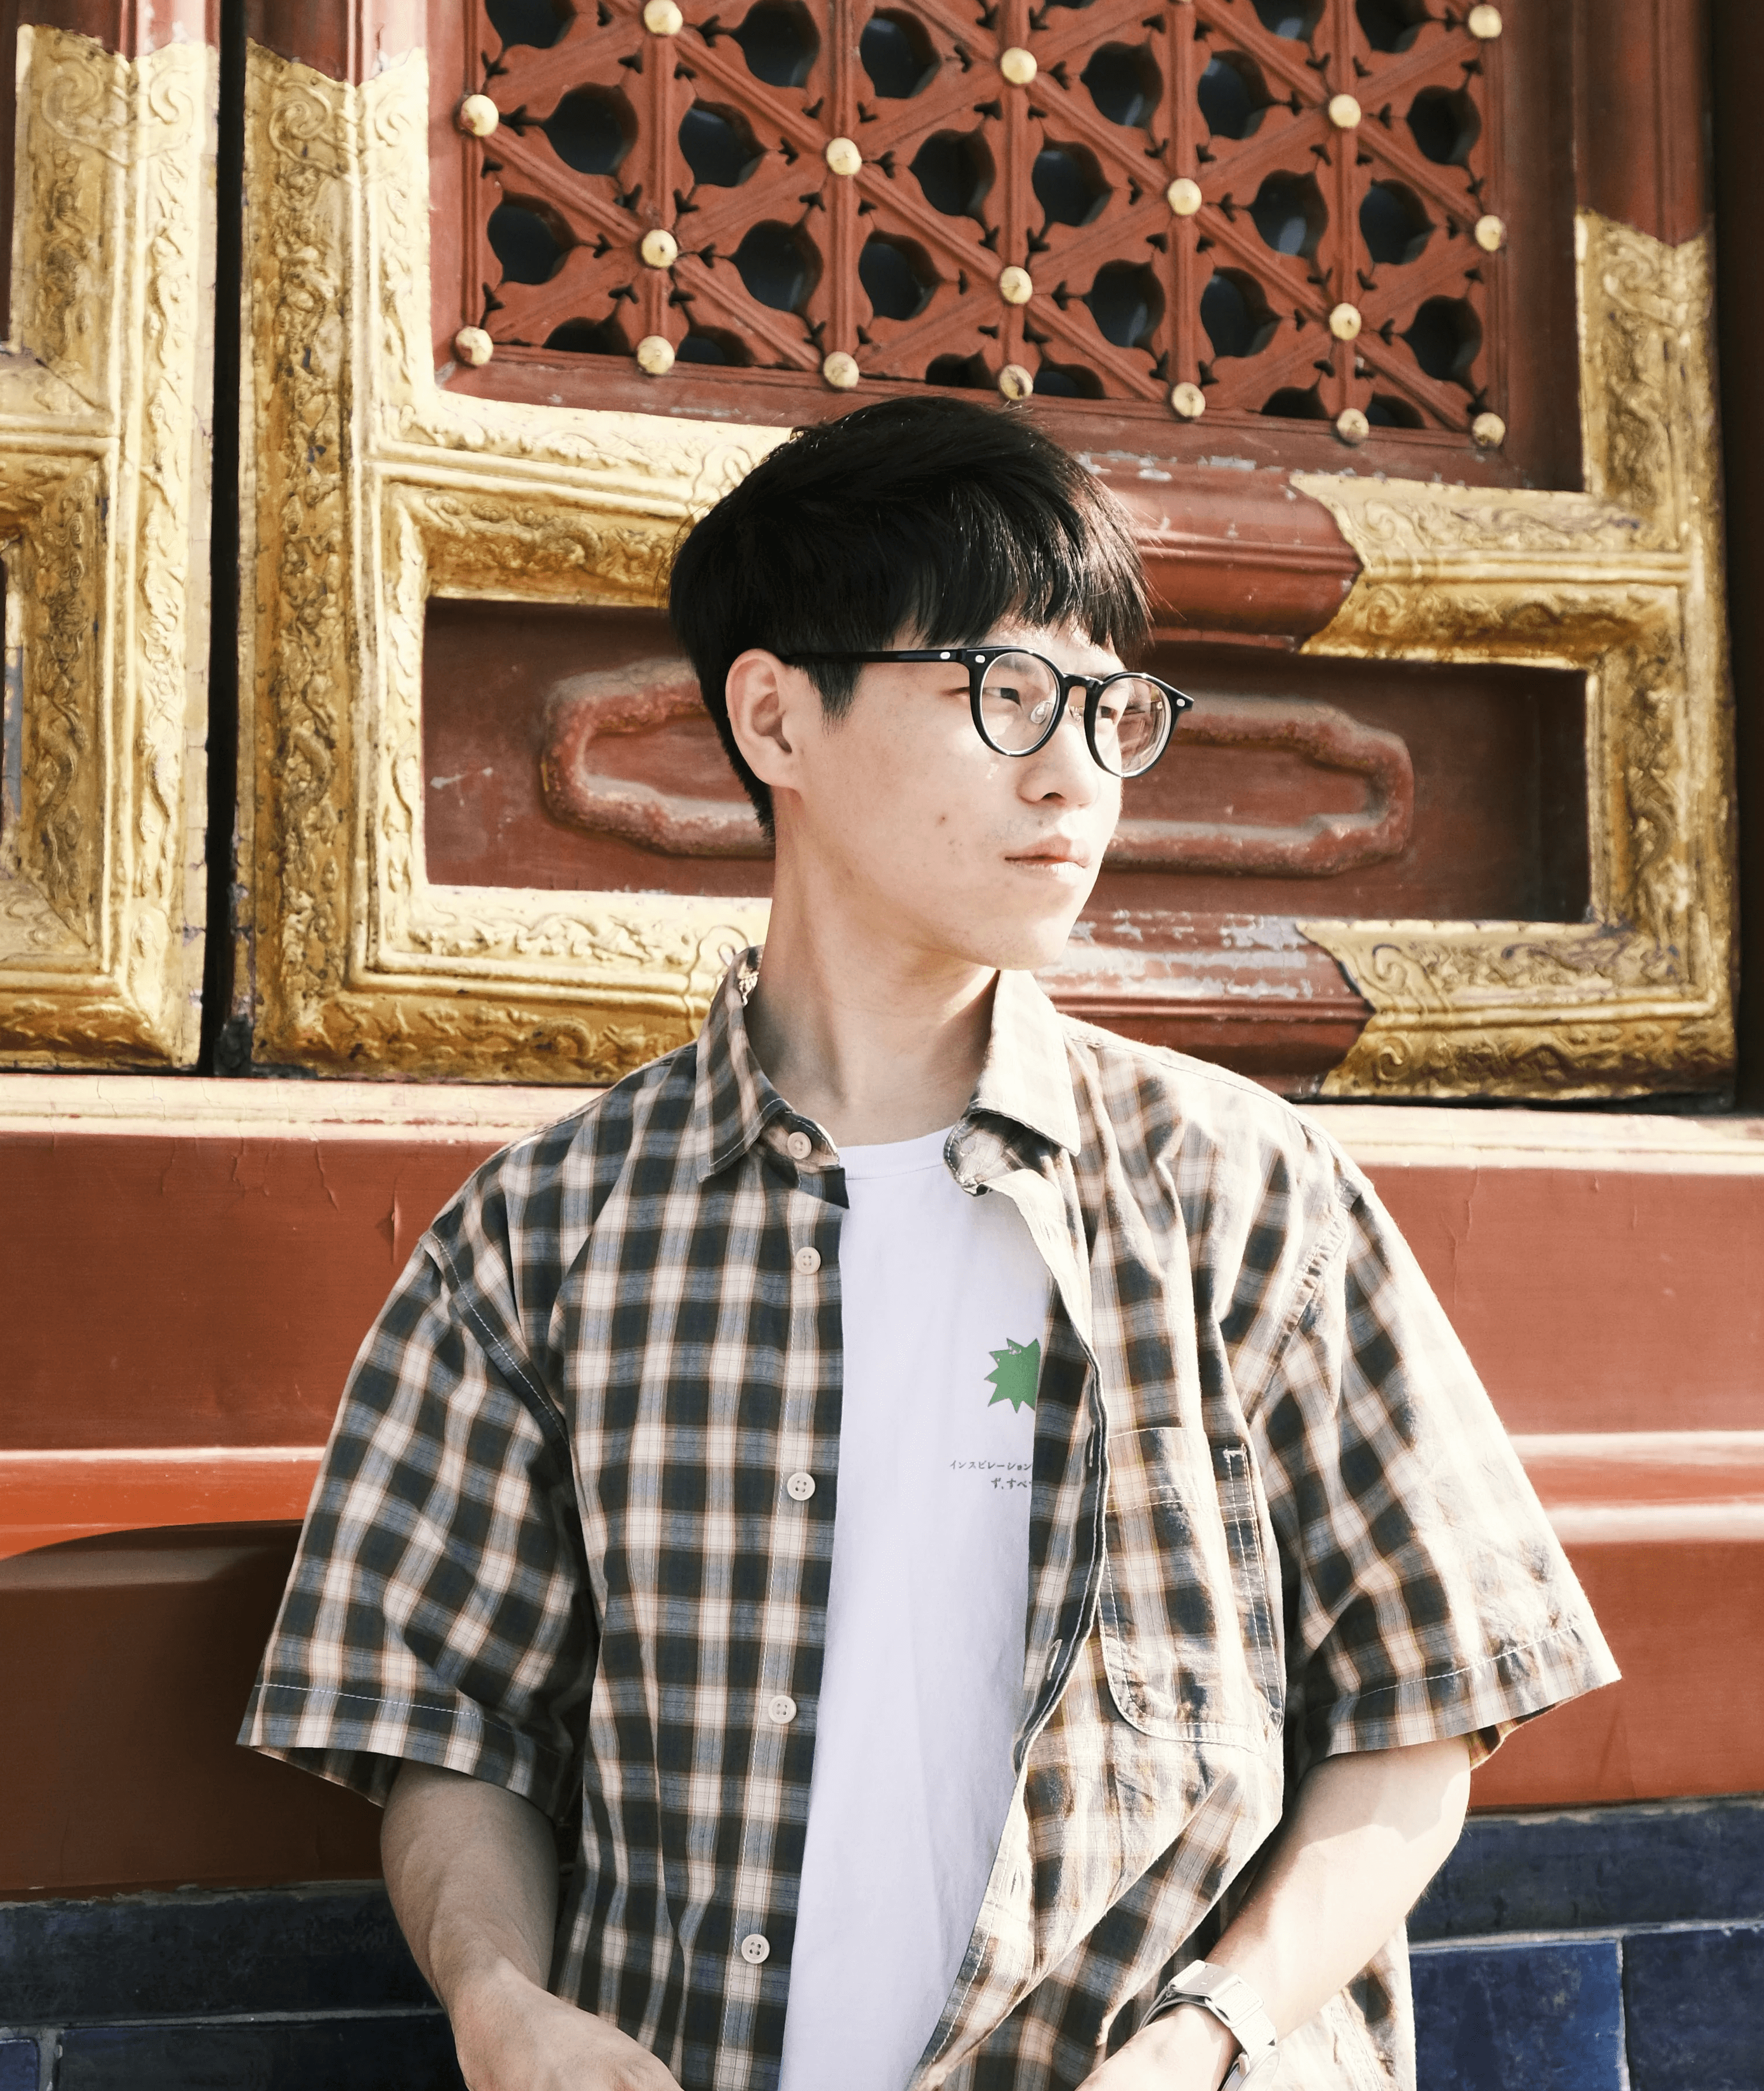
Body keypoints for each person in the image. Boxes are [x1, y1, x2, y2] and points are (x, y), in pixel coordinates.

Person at [241, 395, 1616, 2091]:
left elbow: (1420, 1718)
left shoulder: (1241, 1193)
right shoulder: (544, 1238)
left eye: (1112, 710)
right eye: (1002, 694)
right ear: (774, 718)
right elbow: (446, 1731)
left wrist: (1213, 2034)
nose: (1075, 773)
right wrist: (502, 2006)